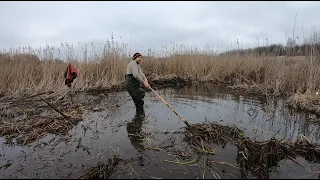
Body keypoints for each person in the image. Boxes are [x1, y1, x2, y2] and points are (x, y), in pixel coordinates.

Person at [124, 52, 150, 117]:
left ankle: (138, 110)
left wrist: (146, 80)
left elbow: (141, 73)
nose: (140, 59)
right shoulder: (133, 63)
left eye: (141, 58)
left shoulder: (138, 65)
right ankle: (140, 116)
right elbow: (136, 75)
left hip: (135, 86)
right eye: (138, 57)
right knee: (140, 102)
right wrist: (144, 83)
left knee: (142, 92)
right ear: (135, 58)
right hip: (131, 86)